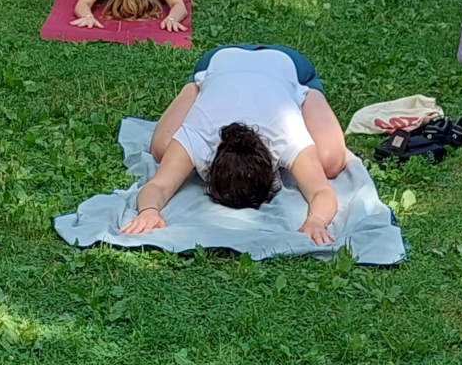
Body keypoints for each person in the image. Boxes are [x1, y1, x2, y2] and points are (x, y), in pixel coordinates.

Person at [120, 45, 351, 245]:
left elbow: (321, 191)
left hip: (285, 62)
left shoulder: (286, 134)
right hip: (218, 61)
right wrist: (148, 211)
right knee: (162, 149)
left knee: (330, 161)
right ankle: (197, 86)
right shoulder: (200, 137)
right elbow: (158, 186)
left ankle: (305, 93)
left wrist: (316, 222)